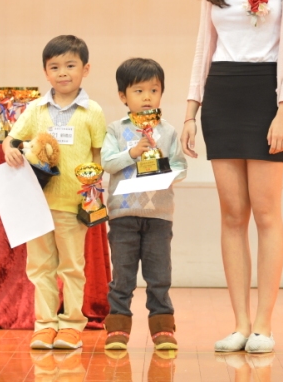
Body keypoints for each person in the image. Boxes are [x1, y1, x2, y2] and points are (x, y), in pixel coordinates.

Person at [180, 0, 283, 354]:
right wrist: (191, 110)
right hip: (222, 93)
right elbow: (204, 47)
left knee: (266, 212)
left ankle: (263, 325)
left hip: (266, 95)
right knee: (233, 214)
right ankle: (238, 323)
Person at [3, 35, 107, 351]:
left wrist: (94, 195)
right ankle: (45, 325)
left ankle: (72, 326)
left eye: (70, 65)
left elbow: (98, 155)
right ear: (46, 72)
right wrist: (9, 149)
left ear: (85, 69)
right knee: (40, 267)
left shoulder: (92, 111)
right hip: (36, 202)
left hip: (72, 203)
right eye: (55, 67)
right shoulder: (35, 109)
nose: (63, 73)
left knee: (72, 266)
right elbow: (12, 139)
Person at [101, 58, 188, 351]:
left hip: (159, 215)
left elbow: (181, 167)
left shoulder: (168, 131)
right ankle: (118, 327)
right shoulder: (116, 129)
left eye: (154, 90)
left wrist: (163, 170)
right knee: (122, 276)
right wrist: (133, 153)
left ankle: (163, 328)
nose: (147, 97)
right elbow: (107, 163)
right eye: (139, 91)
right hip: (123, 215)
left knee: (159, 276)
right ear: (123, 96)